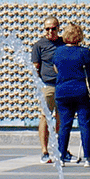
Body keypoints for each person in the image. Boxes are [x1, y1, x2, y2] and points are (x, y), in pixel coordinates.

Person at [51, 21, 90, 166]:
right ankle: (88, 158)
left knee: (65, 124)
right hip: (82, 92)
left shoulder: (58, 52)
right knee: (84, 124)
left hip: (63, 92)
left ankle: (61, 156)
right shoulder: (85, 52)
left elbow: (56, 69)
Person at [30, 15, 61, 163]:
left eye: (53, 28)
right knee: (45, 116)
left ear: (58, 28)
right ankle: (44, 150)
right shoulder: (39, 45)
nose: (50, 32)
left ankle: (61, 149)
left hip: (62, 85)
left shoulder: (63, 43)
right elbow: (35, 67)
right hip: (47, 85)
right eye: (47, 29)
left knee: (62, 117)